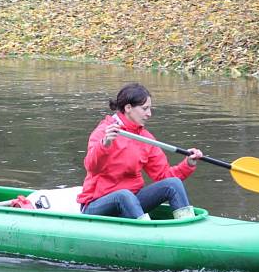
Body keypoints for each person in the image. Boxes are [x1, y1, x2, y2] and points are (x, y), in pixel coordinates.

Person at [77, 82, 203, 220]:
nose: (149, 114)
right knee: (124, 195)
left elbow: (163, 176)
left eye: (150, 108)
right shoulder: (104, 131)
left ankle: (186, 226)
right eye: (145, 109)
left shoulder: (146, 138)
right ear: (128, 107)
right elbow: (91, 167)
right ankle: (148, 233)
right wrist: (104, 144)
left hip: (133, 201)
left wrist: (188, 164)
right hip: (96, 205)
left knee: (174, 184)